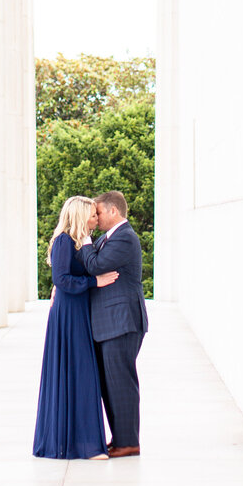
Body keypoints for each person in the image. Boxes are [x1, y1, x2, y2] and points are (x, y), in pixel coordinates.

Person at [32, 196, 120, 460]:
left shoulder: (81, 242)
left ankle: (85, 443)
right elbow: (61, 279)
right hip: (68, 315)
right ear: (81, 216)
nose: (97, 218)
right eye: (92, 214)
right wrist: (95, 282)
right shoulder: (64, 241)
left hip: (79, 311)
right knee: (77, 373)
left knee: (83, 374)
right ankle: (80, 446)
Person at [81, 190, 148, 457]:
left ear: (113, 211)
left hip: (122, 321)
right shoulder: (109, 238)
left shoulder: (124, 238)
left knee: (121, 381)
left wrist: (84, 239)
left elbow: (95, 266)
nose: (95, 218)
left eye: (97, 212)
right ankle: (120, 438)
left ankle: (129, 442)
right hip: (110, 323)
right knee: (111, 383)